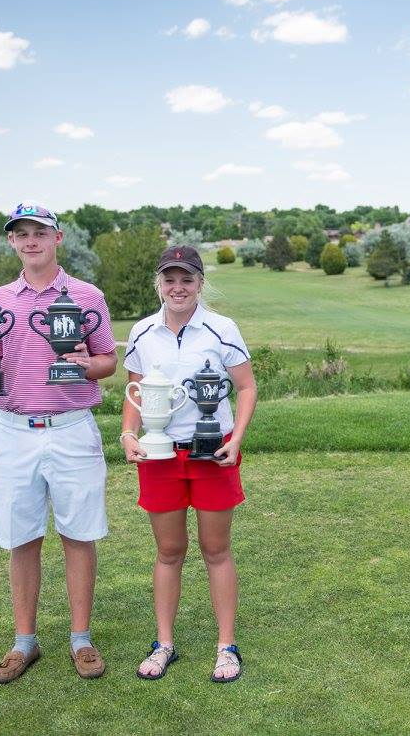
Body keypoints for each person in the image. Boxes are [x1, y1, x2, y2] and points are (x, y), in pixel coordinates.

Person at [0, 202, 118, 684]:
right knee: (22, 537)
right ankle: (24, 643)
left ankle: (81, 639)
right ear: (12, 241)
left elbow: (108, 361)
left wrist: (84, 365)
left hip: (71, 428)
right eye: (22, 233)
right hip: (13, 431)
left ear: (58, 238)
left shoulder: (87, 295)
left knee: (79, 534)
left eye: (40, 232)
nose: (31, 240)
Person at [121, 245, 257, 683]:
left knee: (216, 549)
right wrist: (128, 434)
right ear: (159, 284)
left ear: (200, 283)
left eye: (187, 279)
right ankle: (164, 643)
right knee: (168, 551)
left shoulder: (222, 328)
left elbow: (246, 387)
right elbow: (135, 392)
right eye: (170, 279)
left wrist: (237, 439)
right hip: (159, 455)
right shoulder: (142, 331)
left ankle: (226, 646)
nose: (178, 287)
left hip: (213, 453)